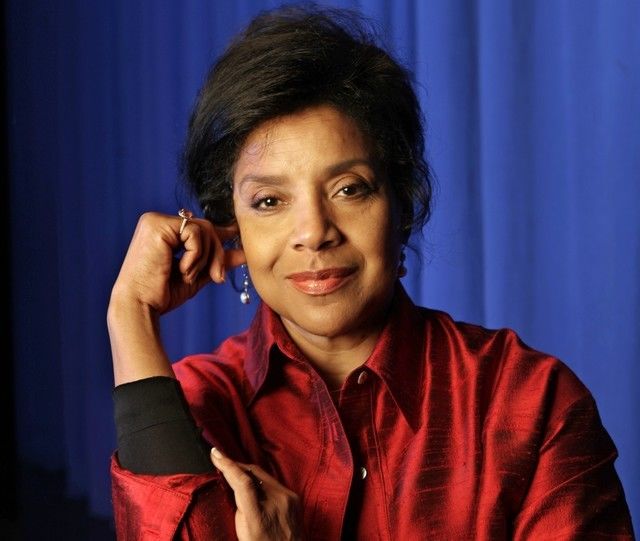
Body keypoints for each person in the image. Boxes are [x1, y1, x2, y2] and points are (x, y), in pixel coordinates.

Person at [108, 5, 634, 540]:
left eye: (349, 189)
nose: (314, 232)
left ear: (401, 205)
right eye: (269, 201)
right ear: (233, 230)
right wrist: (130, 312)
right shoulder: (193, 408)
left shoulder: (529, 403)